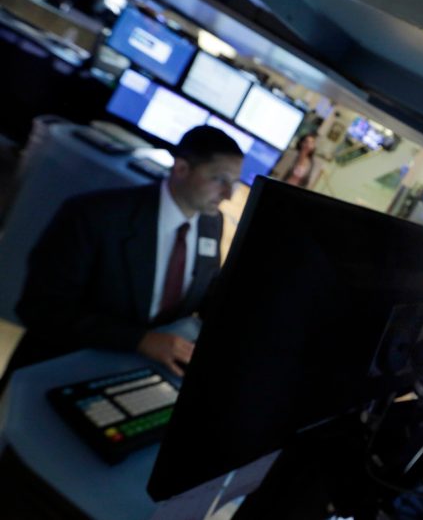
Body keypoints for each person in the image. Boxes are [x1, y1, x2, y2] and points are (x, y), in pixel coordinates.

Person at [0, 126, 243, 388]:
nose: (228, 195)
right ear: (182, 169)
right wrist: (139, 340)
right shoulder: (94, 216)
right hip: (58, 372)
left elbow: (204, 290)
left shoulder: (210, 222)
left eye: (235, 182)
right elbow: (39, 307)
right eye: (219, 179)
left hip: (140, 376)